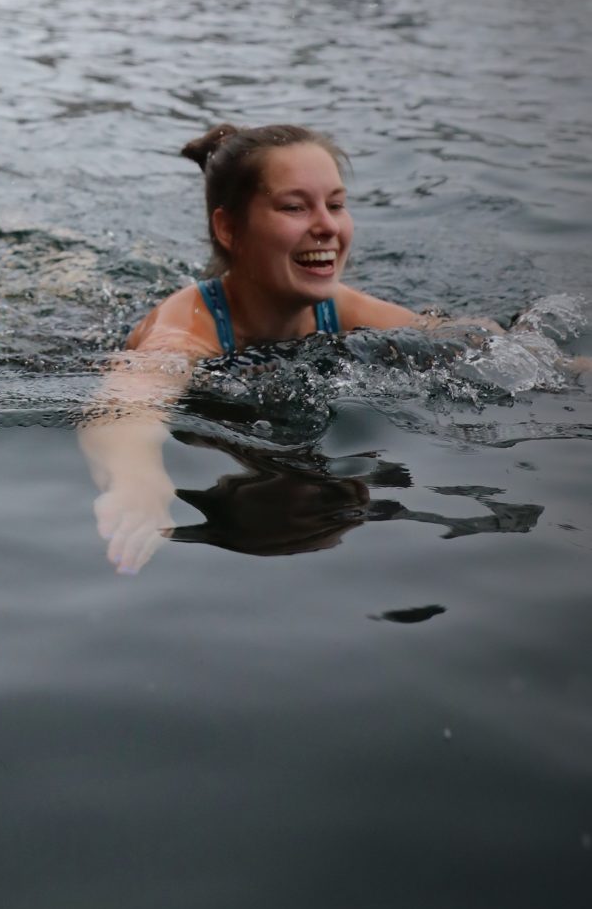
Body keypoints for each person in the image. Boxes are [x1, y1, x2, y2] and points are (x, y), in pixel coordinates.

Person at [80, 121, 442, 575]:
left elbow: (470, 340)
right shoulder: (187, 329)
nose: (328, 225)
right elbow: (124, 407)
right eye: (295, 207)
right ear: (229, 228)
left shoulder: (347, 310)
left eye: (336, 205)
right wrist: (137, 480)